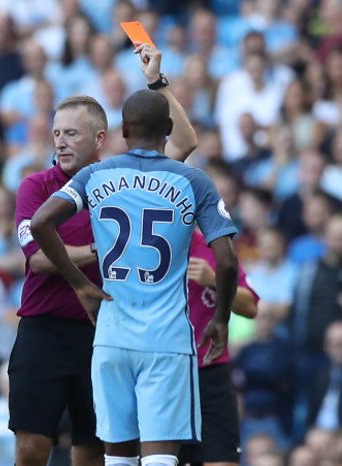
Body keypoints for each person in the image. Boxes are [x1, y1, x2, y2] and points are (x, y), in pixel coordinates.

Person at [10, 43, 199, 466]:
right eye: (56, 133)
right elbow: (38, 258)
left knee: (94, 451)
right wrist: (98, 251)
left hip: (105, 332)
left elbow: (184, 141)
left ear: (99, 138)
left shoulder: (118, 179)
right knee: (31, 446)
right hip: (44, 328)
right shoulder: (36, 186)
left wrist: (156, 83)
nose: (60, 142)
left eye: (71, 133)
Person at [30, 88, 239, 466]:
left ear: (123, 130)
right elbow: (225, 261)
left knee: (118, 459)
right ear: (168, 129)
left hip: (112, 334)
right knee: (161, 457)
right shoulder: (193, 181)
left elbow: (42, 222)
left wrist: (79, 282)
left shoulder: (95, 175)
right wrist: (221, 318)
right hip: (167, 339)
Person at [178, 229, 260, 466]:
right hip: (165, 371)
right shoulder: (149, 245)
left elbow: (251, 307)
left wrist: (214, 280)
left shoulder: (217, 249)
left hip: (210, 370)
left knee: (223, 461)